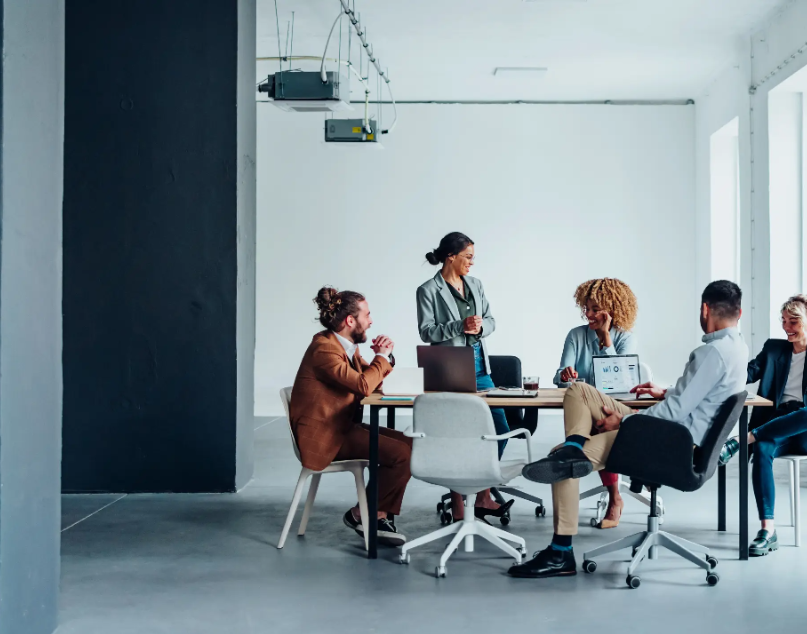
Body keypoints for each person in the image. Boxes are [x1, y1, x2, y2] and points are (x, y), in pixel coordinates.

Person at [508, 280, 749, 578]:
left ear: (704, 309)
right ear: (739, 313)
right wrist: (666, 392)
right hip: (681, 436)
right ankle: (573, 446)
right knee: (580, 390)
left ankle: (560, 553)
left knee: (563, 466)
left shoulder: (710, 353)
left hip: (671, 442)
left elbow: (673, 414)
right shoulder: (737, 348)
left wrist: (623, 421)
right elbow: (697, 398)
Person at [719, 293, 807, 557]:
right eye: (783, 321)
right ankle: (767, 531)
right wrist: (731, 352)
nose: (786, 328)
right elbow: (746, 374)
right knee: (761, 450)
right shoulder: (774, 349)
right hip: (778, 425)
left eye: (793, 322)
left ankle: (742, 440)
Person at [289, 287, 412, 547]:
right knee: (403, 454)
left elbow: (372, 381)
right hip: (327, 436)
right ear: (350, 321)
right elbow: (365, 386)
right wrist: (380, 358)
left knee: (411, 444)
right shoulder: (324, 349)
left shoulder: (346, 348)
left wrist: (384, 358)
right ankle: (368, 515)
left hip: (341, 427)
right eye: (367, 315)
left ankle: (371, 513)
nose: (371, 320)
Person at [415, 231, 513, 523]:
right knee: (456, 433)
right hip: (448, 366)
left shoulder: (476, 285)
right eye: (468, 257)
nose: (472, 263)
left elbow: (491, 321)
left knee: (498, 426)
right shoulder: (428, 290)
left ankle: (481, 494)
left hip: (480, 366)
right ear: (451, 257)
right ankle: (461, 503)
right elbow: (426, 331)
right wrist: (459, 326)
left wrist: (480, 329)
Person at [554, 278, 639, 529]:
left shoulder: (625, 338)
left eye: (594, 310)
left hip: (612, 406)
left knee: (600, 422)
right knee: (591, 422)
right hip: (583, 405)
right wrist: (563, 375)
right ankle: (611, 494)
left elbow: (620, 382)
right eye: (586, 308)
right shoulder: (576, 335)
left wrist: (605, 339)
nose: (588, 314)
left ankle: (614, 497)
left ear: (611, 311)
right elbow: (559, 375)